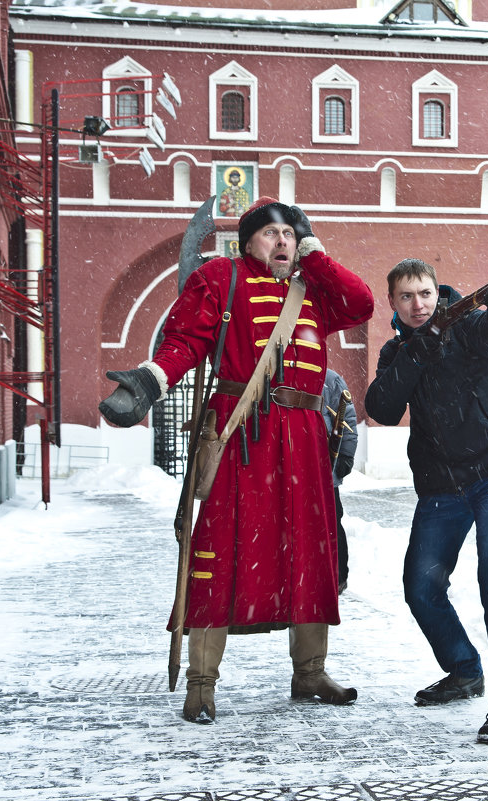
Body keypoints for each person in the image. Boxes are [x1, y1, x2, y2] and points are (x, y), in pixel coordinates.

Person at [98, 197, 374, 723]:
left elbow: (360, 304)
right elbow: (183, 340)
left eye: (291, 233)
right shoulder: (221, 279)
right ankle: (202, 684)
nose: (283, 241)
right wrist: (149, 382)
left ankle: (310, 671)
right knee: (222, 548)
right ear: (247, 242)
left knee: (310, 552)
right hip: (242, 432)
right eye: (272, 233)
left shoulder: (313, 286)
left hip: (306, 438)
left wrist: (314, 252)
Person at [364, 258, 488, 744]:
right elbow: (382, 407)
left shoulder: (470, 324)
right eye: (407, 297)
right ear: (393, 303)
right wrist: (417, 353)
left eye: (425, 294)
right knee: (420, 587)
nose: (418, 305)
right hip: (443, 483)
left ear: (439, 293)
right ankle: (464, 668)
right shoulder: (398, 351)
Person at [320, 368, 357, 593]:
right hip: (297, 468)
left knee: (332, 522)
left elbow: (347, 418)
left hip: (326, 468)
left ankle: (338, 577)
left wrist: (345, 455)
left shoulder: (330, 379)